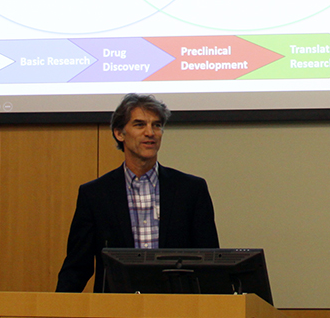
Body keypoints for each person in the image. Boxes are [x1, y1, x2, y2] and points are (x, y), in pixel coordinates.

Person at [56, 93, 219, 292]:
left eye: (157, 125)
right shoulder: (95, 195)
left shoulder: (191, 190)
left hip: (177, 311)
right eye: (140, 125)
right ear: (119, 133)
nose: (150, 132)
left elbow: (211, 265)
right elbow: (77, 267)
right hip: (116, 313)